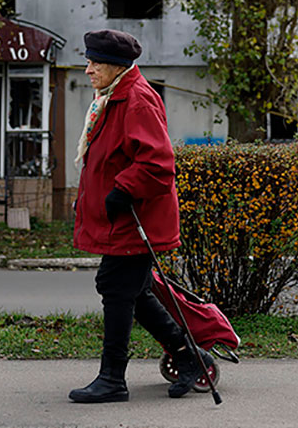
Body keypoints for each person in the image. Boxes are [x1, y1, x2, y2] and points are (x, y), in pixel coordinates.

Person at [68, 29, 213, 403]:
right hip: (123, 218)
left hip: (137, 218)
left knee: (116, 288)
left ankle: (112, 378)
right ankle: (188, 356)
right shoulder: (112, 97)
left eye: (94, 63)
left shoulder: (136, 100)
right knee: (132, 289)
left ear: (115, 66)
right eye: (88, 61)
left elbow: (158, 164)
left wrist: (123, 190)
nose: (88, 70)